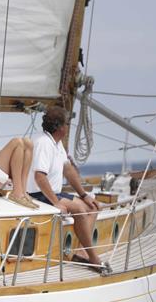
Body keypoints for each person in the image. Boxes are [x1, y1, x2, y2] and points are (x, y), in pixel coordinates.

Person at [26, 105, 104, 271]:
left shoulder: (56, 143)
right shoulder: (43, 143)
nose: (69, 127)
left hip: (52, 193)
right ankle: (94, 258)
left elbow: (68, 169)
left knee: (92, 206)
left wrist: (84, 195)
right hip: (38, 194)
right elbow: (39, 177)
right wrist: (55, 203)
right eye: (67, 124)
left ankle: (82, 253)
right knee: (80, 211)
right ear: (60, 127)